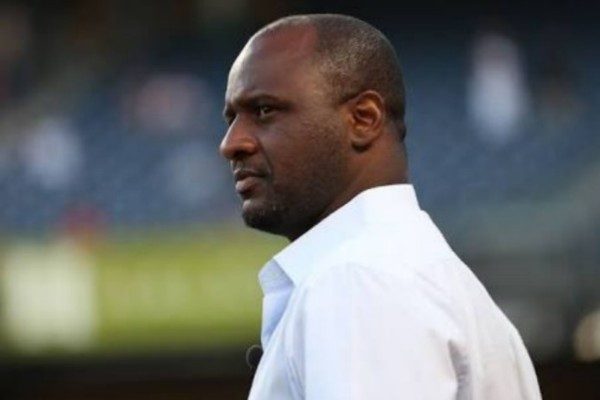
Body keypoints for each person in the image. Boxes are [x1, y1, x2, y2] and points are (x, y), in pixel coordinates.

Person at [219, 14, 542, 400]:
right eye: (231, 118)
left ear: (364, 119)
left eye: (264, 110)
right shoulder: (406, 270)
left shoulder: (358, 278)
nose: (231, 143)